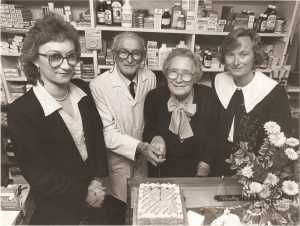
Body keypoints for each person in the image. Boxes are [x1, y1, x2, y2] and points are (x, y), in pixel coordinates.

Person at [8, 14, 124, 225]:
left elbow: (96, 141)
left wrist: (97, 181)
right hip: (58, 210)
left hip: (96, 201)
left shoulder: (83, 90)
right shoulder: (21, 111)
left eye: (71, 56)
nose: (66, 65)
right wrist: (84, 192)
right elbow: (39, 174)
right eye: (55, 56)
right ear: (35, 58)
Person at [90, 32, 164, 204]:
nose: (130, 59)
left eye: (136, 53)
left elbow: (152, 117)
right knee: (120, 203)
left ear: (143, 56)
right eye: (123, 52)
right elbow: (107, 132)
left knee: (144, 201)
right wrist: (140, 146)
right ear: (114, 54)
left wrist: (151, 144)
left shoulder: (150, 77)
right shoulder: (98, 85)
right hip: (118, 157)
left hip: (145, 157)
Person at [212, 28, 292, 176]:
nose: (236, 62)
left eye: (243, 54)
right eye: (230, 54)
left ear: (255, 56)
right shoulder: (218, 82)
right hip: (216, 163)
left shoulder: (273, 92)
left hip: (255, 169)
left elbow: (282, 141)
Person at [143, 48, 219, 177]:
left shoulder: (209, 97)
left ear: (195, 77)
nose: (178, 80)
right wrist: (155, 138)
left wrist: (206, 163)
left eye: (186, 74)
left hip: (199, 171)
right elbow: (148, 130)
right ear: (166, 74)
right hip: (162, 171)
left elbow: (214, 136)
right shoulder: (154, 97)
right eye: (173, 72)